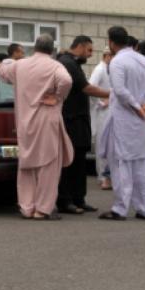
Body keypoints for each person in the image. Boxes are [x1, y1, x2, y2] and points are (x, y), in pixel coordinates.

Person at [0, 34, 74, 220]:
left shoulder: (20, 65)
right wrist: (57, 96)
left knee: (27, 164)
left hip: (24, 121)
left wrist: (6, 61)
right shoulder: (55, 66)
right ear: (52, 49)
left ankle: (26, 207)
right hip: (47, 120)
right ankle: (43, 209)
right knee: (48, 165)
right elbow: (67, 81)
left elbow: (2, 70)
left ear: (34, 48)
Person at [97, 26, 145, 221]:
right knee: (143, 164)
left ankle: (120, 208)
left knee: (121, 165)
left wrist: (136, 106)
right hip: (142, 122)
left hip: (124, 120)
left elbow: (120, 90)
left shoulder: (117, 62)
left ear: (111, 42)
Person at [56, 36, 110, 214]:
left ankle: (79, 198)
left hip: (79, 120)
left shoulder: (73, 63)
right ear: (79, 47)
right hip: (71, 120)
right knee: (69, 161)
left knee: (79, 161)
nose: (90, 54)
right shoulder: (68, 63)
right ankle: (66, 200)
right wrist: (112, 94)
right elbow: (86, 87)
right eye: (89, 50)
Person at [89, 47, 113, 189]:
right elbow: (91, 88)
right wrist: (101, 102)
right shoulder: (100, 69)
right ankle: (103, 176)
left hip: (110, 112)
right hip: (103, 113)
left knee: (109, 145)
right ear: (107, 56)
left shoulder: (109, 69)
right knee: (102, 145)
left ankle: (107, 176)